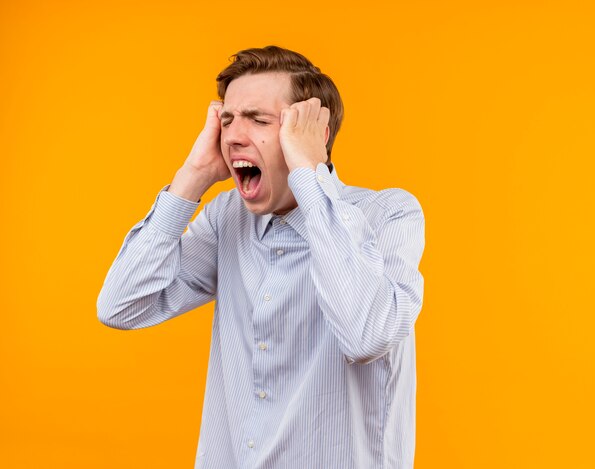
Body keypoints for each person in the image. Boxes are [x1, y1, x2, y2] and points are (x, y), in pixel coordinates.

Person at [97, 45, 425, 469]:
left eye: (258, 119)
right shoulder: (226, 219)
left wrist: (308, 173)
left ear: (311, 134)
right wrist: (192, 177)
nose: (233, 135)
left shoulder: (389, 214)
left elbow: (365, 336)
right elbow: (121, 305)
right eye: (228, 119)